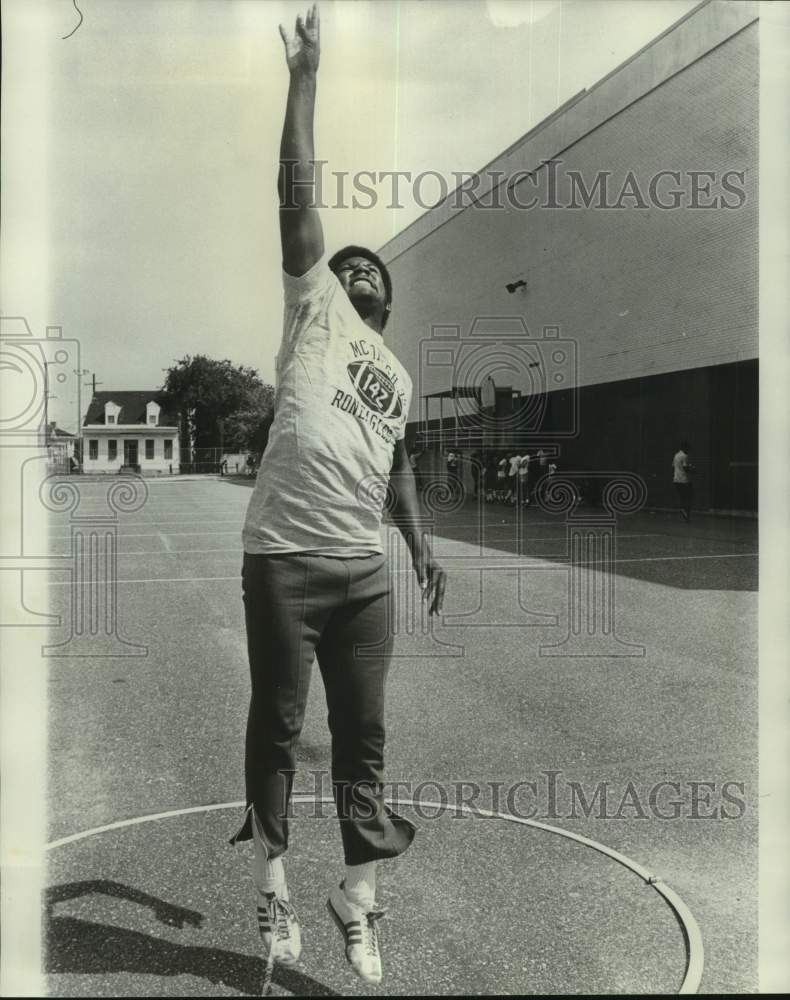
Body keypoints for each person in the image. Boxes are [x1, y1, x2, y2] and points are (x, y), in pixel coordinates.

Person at [231, 6, 447, 987]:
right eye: (345, 261)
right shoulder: (312, 302)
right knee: (276, 723)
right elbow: (296, 190)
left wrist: (421, 543)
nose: (355, 269)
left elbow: (397, 465)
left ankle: (359, 902)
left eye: (371, 271)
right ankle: (274, 888)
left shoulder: (395, 376)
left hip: (362, 573)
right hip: (282, 558)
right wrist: (304, 79)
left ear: (388, 305)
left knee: (365, 734)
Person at [673, 440, 694, 522]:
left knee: (683, 497)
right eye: (688, 448)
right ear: (685, 448)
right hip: (684, 480)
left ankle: (684, 510)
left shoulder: (676, 455)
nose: (688, 450)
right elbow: (685, 468)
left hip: (676, 479)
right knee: (689, 497)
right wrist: (693, 469)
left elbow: (673, 466)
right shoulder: (684, 456)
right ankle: (686, 513)